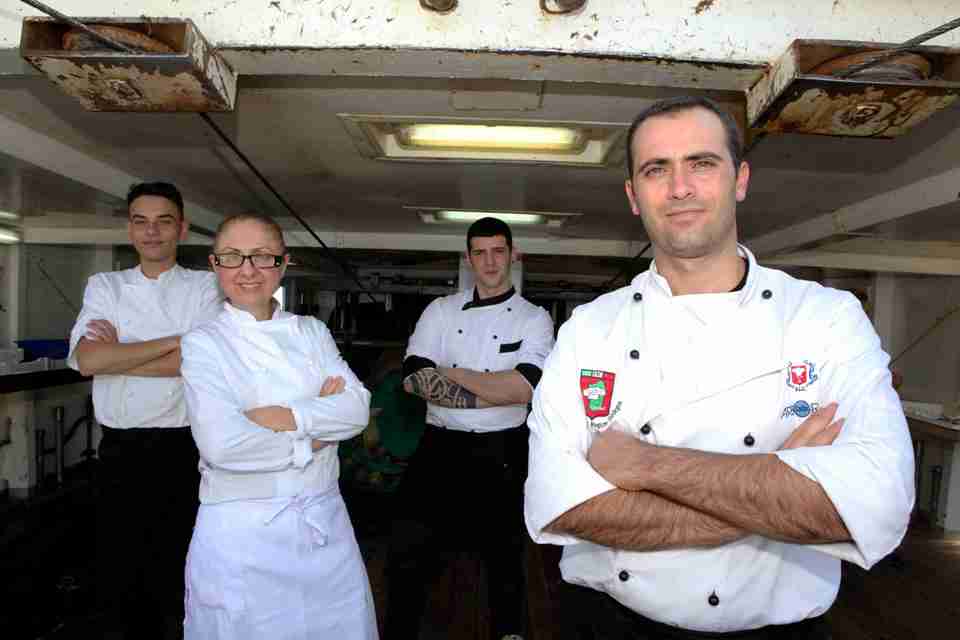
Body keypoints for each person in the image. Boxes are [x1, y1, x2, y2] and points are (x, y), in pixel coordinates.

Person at [523, 96, 915, 639]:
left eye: (701, 163)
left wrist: (644, 465)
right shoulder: (589, 329)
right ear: (634, 197)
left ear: (740, 179)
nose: (680, 188)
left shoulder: (825, 317)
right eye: (656, 169)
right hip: (612, 623)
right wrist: (779, 485)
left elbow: (877, 503)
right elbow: (560, 503)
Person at [179, 213, 377, 639]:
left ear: (283, 264)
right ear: (215, 265)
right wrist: (317, 434)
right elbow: (223, 446)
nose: (247, 270)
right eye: (232, 257)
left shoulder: (311, 332)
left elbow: (357, 409)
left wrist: (276, 419)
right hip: (242, 535)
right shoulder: (204, 343)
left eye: (262, 257)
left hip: (323, 527)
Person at [385, 217, 555, 640]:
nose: (490, 261)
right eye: (480, 252)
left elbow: (524, 387)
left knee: (505, 552)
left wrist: (451, 372)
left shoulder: (534, 319)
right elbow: (414, 379)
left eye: (499, 251)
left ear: (514, 255)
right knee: (409, 549)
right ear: (468, 258)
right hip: (439, 449)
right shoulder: (439, 311)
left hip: (503, 451)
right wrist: (492, 390)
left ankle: (509, 632)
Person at [67, 181, 222, 639]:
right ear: (130, 229)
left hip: (184, 449)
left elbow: (202, 365)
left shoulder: (204, 286)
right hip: (120, 450)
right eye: (141, 221)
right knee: (119, 571)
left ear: (182, 228)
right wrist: (180, 340)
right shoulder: (106, 285)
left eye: (163, 221)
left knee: (180, 567)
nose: (151, 232)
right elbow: (89, 361)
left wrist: (123, 354)